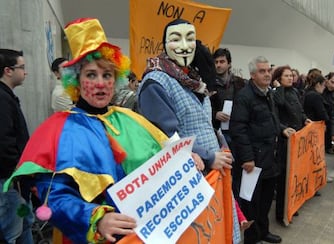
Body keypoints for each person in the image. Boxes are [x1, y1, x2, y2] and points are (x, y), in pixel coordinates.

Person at [3, 18, 175, 243]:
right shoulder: (60, 129)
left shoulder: (131, 119)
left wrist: (190, 158)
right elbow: (53, 194)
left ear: (116, 79)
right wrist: (96, 219)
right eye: (91, 75)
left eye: (107, 75)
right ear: (76, 81)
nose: (101, 83)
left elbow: (164, 161)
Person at [138, 19, 232, 173]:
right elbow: (166, 136)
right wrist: (209, 157)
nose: (184, 45)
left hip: (212, 172)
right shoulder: (155, 83)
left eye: (190, 39)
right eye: (175, 39)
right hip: (185, 175)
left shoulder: (194, 80)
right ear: (165, 44)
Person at [230, 56, 283, 244]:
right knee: (251, 202)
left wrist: (282, 129)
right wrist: (247, 158)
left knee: (266, 200)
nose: (267, 74)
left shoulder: (269, 93)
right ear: (252, 75)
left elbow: (271, 120)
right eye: (262, 71)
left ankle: (264, 232)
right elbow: (238, 129)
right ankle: (252, 238)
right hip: (253, 161)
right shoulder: (245, 97)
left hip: (270, 157)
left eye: (269, 70)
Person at [0, 49, 34, 244]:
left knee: (24, 223)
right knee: (11, 230)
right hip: (9, 181)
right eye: (22, 67)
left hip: (17, 181)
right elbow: (4, 141)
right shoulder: (2, 99)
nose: (25, 72)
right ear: (8, 71)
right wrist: (17, 171)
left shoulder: (8, 96)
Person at [272, 65, 310, 226]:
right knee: (284, 179)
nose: (290, 78)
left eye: (291, 76)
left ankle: (291, 205)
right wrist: (278, 88)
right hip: (285, 141)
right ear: (279, 79)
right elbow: (275, 115)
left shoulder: (294, 92)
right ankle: (281, 214)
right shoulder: (276, 94)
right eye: (286, 76)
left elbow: (299, 111)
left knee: (295, 175)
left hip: (297, 140)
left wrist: (305, 119)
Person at [210, 48, 246, 146]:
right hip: (216, 131)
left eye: (222, 62)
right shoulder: (208, 84)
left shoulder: (240, 83)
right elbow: (201, 108)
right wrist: (215, 114)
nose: (218, 65)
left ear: (229, 64)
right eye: (216, 62)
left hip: (237, 130)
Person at [323, 72, 334, 154]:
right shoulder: (319, 90)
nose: (333, 86)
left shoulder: (333, 94)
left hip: (327, 123)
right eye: (332, 82)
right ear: (327, 80)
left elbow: (333, 114)